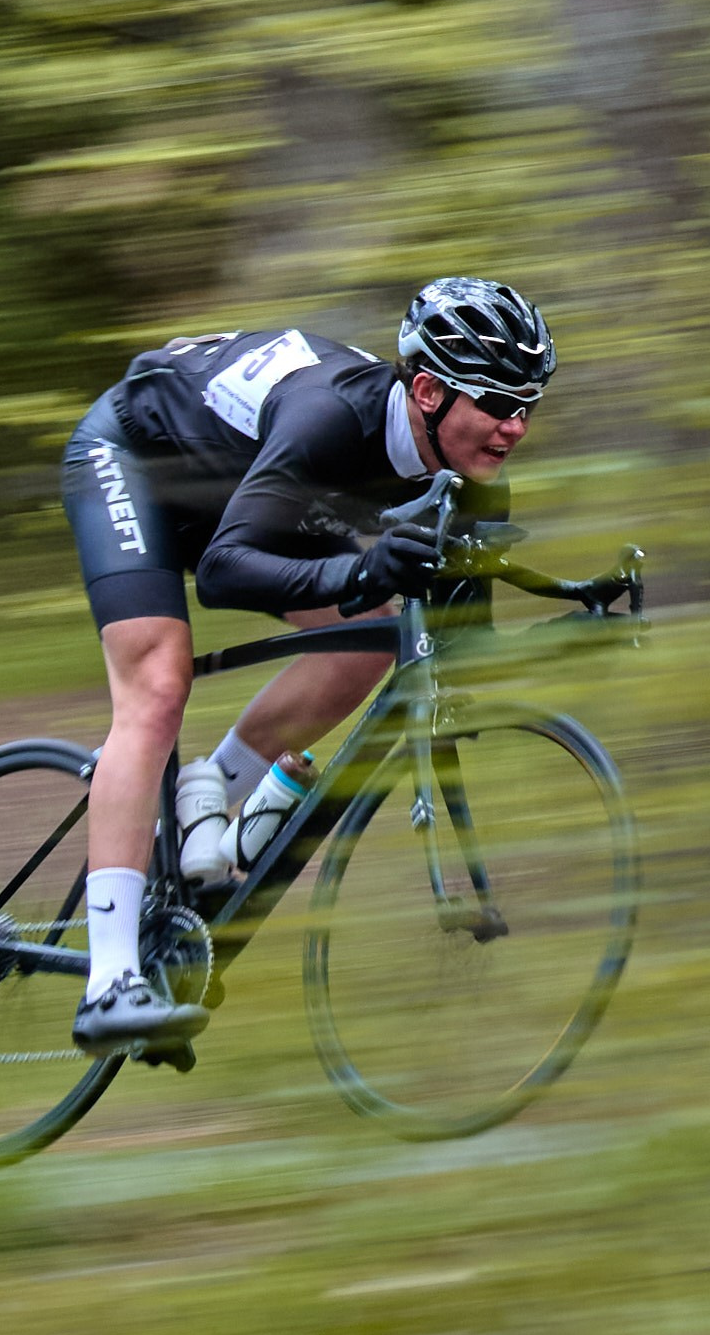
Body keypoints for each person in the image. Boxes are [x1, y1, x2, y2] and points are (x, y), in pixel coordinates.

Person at [54, 277, 555, 1055]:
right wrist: (361, 570)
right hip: (137, 459)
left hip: (252, 486)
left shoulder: (473, 478)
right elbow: (223, 572)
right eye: (496, 402)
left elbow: (464, 643)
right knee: (157, 685)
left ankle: (204, 801)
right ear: (427, 391)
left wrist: (577, 613)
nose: (515, 426)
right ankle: (109, 983)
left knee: (369, 642)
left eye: (527, 404)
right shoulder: (331, 420)